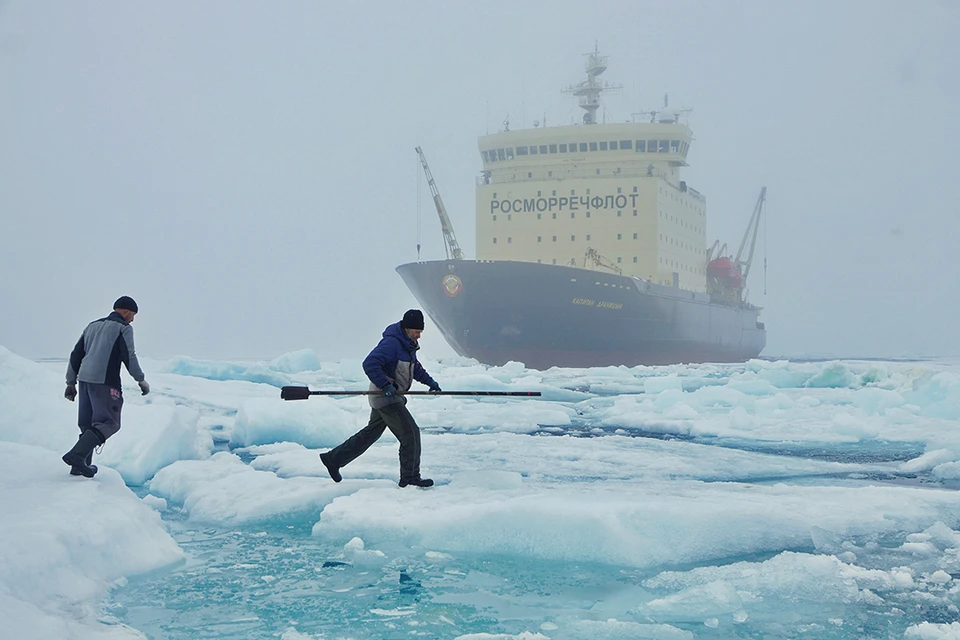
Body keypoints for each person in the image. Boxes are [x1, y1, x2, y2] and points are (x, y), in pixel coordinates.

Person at [319, 309, 441, 488]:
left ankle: (333, 459)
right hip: (386, 398)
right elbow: (370, 363)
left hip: (389, 398)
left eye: (420, 332)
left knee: (369, 434)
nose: (419, 335)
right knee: (410, 434)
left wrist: (431, 382)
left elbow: (415, 369)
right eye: (417, 331)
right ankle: (410, 476)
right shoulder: (392, 344)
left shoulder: (408, 345)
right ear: (407, 329)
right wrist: (385, 386)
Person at [61, 296, 150, 478]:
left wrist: (71, 382)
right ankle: (77, 457)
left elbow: (76, 354)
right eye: (132, 315)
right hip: (105, 382)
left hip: (85, 380)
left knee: (88, 424)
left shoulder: (92, 325)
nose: (133, 319)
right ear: (125, 311)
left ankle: (81, 466)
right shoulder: (123, 328)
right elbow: (129, 356)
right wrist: (140, 379)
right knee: (109, 423)